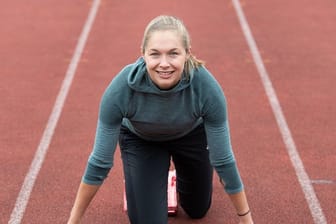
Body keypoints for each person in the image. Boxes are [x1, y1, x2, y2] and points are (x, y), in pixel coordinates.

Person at [67, 15, 254, 224]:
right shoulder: (121, 89)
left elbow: (223, 159)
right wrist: (73, 220)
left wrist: (245, 218)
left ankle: (169, 179)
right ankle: (141, 177)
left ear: (187, 53)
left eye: (173, 54)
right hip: (142, 140)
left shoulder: (206, 88)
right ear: (143, 54)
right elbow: (99, 162)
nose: (164, 64)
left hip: (190, 136)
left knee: (198, 210)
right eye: (155, 54)